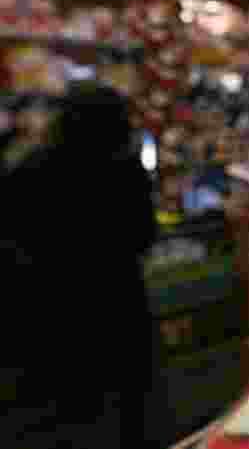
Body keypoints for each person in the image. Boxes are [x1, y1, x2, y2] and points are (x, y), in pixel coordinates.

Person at [2, 81, 163, 448]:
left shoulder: (32, 168)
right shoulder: (123, 170)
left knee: (56, 414)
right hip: (116, 307)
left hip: (44, 312)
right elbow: (142, 236)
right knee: (121, 413)